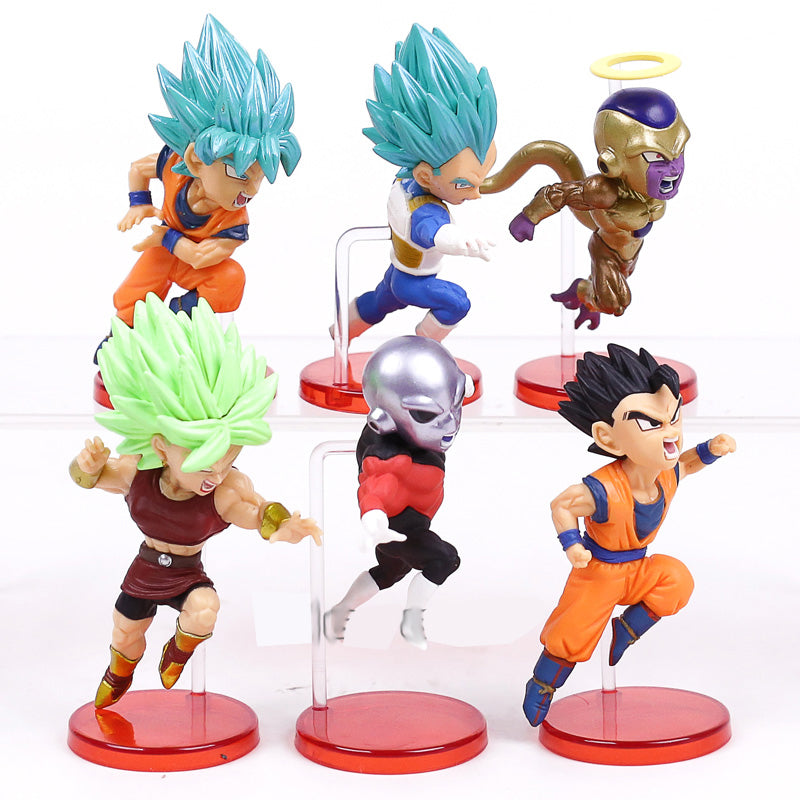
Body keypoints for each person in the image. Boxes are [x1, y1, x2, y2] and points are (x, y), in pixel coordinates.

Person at [71, 295, 321, 708]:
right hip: (145, 568)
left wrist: (283, 526)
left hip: (188, 572)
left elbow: (255, 510)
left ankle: (179, 651)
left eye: (228, 457)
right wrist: (87, 466)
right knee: (126, 633)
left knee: (205, 608)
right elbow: (90, 479)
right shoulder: (138, 472)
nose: (216, 475)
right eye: (204, 463)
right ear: (161, 447)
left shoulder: (225, 490)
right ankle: (119, 673)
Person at [523, 344, 735, 726]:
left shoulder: (665, 474)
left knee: (676, 579)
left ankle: (626, 630)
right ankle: (542, 684)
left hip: (638, 568)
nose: (671, 434)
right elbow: (562, 505)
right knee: (571, 635)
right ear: (608, 438)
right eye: (652, 423)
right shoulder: (604, 488)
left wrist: (711, 450)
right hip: (598, 573)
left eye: (674, 417)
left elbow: (686, 463)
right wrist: (572, 545)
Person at [109, 15, 300, 329]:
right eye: (240, 173)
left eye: (260, 176)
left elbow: (200, 257)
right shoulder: (174, 166)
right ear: (196, 160)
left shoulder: (234, 222)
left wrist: (166, 236)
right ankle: (125, 334)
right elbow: (138, 168)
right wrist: (139, 203)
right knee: (130, 299)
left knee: (230, 278)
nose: (252, 189)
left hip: (183, 258)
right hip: (162, 254)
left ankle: (178, 319)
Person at [341, 24, 498, 343]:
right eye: (464, 185)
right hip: (412, 281)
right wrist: (460, 242)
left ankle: (342, 329)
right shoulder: (425, 205)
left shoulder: (406, 177)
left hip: (397, 273)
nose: (476, 195)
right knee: (456, 303)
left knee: (378, 303)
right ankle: (426, 346)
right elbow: (432, 232)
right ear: (426, 176)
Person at [324, 336, 470, 649]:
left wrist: (454, 390)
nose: (449, 425)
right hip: (400, 530)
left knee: (388, 572)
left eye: (455, 402)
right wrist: (373, 519)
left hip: (406, 526)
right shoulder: (391, 458)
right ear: (384, 418)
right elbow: (376, 486)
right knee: (444, 560)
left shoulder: (412, 434)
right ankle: (412, 620)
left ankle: (339, 611)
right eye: (426, 414)